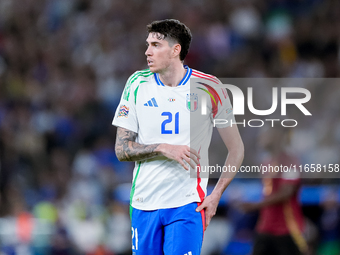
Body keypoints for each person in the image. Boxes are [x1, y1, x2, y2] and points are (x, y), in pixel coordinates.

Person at [112, 19, 244, 255]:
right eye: (147, 44)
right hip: (144, 203)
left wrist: (216, 195)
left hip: (187, 205)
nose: (147, 51)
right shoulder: (136, 84)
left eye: (155, 45)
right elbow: (122, 150)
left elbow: (236, 149)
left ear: (176, 50)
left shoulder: (209, 87)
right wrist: (163, 147)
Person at [239, 127, 307, 255]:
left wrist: (256, 205)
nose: (261, 138)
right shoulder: (266, 163)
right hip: (265, 227)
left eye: (266, 135)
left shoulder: (290, 161)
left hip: (287, 228)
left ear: (277, 136)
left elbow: (287, 192)